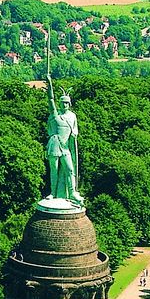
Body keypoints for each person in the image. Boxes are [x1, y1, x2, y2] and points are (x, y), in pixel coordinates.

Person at [45, 73, 83, 204]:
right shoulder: (55, 115)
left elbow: (74, 132)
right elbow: (50, 99)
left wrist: (74, 135)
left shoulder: (72, 116)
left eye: (66, 103)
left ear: (69, 104)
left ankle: (72, 193)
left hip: (66, 147)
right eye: (62, 103)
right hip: (55, 145)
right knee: (54, 170)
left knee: (70, 169)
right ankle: (53, 193)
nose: (64, 105)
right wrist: (49, 83)